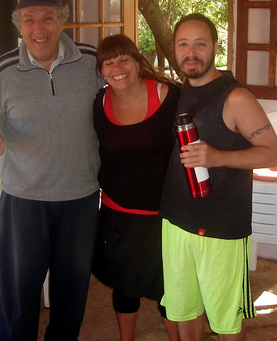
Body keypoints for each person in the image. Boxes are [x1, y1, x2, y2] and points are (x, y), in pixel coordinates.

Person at [0, 0, 103, 341]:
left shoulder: (91, 60)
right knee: (17, 295)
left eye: (48, 17)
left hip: (80, 198)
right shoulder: (3, 69)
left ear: (62, 22)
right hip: (23, 200)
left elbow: (121, 95)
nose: (39, 27)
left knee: (72, 293)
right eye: (29, 19)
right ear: (19, 25)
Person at [159, 13, 277, 341]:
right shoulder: (183, 89)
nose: (191, 53)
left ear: (215, 47)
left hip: (220, 229)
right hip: (176, 221)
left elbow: (272, 153)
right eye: (183, 44)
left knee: (226, 321)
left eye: (200, 44)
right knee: (184, 310)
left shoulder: (236, 97)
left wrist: (218, 157)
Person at [92, 34, 181, 341]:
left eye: (123, 59)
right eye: (108, 62)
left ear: (137, 61)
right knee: (125, 287)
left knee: (169, 290)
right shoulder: (99, 103)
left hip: (163, 216)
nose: (117, 67)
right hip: (118, 215)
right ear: (101, 71)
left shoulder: (168, 96)